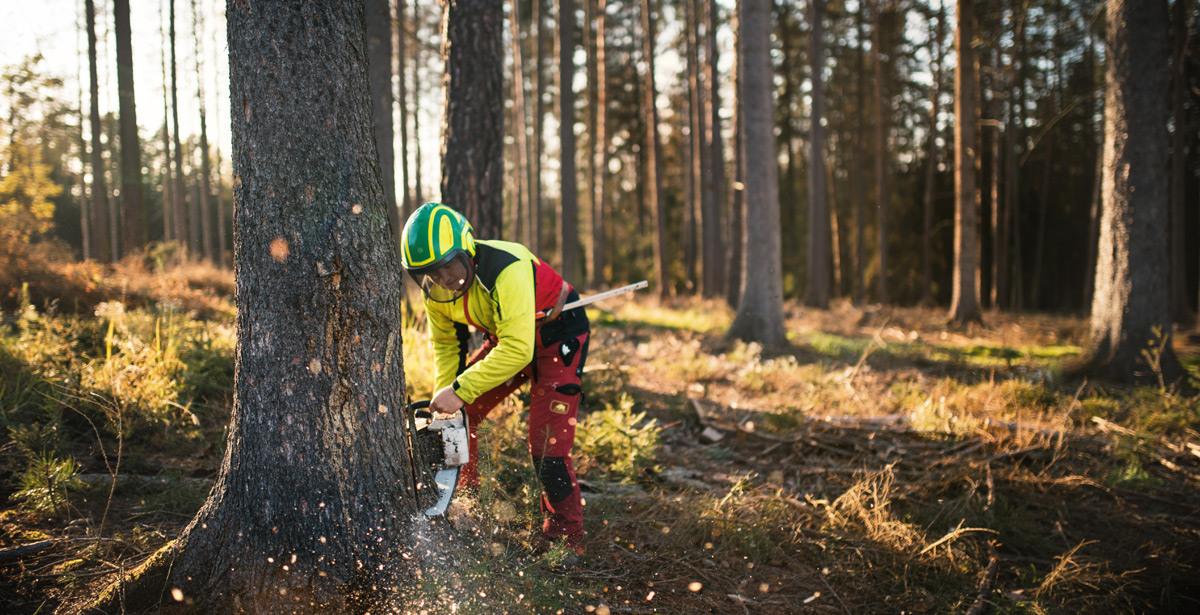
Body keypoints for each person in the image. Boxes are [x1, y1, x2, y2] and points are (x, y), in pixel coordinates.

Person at [401, 202, 589, 555]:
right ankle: (464, 503)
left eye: (449, 267)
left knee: (547, 443)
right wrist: (449, 397)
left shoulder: (507, 267)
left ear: (467, 250)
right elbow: (446, 345)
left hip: (556, 335)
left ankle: (565, 540)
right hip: (508, 337)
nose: (444, 280)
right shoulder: (436, 292)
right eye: (430, 273)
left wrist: (460, 389)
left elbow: (519, 350)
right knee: (459, 415)